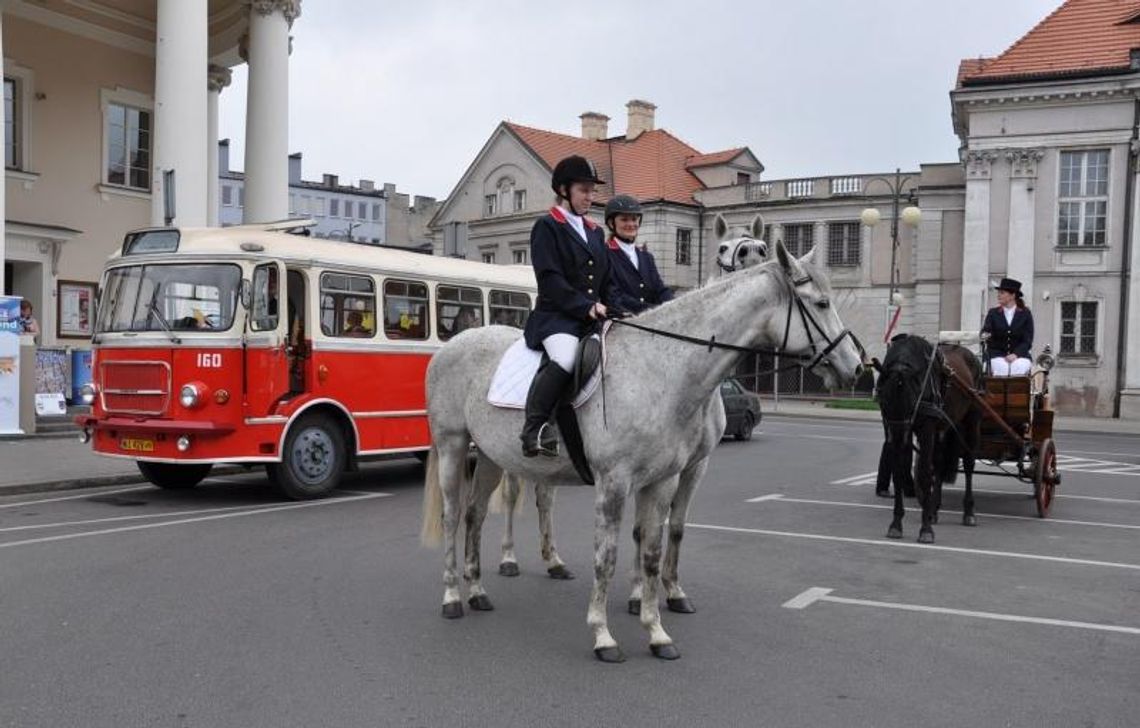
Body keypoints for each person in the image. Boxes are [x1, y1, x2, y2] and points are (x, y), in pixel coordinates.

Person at [519, 155, 625, 457]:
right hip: (557, 318)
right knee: (565, 359)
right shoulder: (547, 226)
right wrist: (586, 306)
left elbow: (606, 279)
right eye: (584, 191)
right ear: (564, 190)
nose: (590, 198)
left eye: (593, 191)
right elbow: (550, 279)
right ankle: (534, 428)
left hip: (590, 320)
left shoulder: (595, 231)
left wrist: (616, 308)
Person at [602, 194, 673, 313]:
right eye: (624, 219)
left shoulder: (647, 257)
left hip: (653, 320)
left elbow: (660, 290)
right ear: (611, 223)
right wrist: (651, 310)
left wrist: (674, 305)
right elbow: (613, 296)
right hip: (621, 320)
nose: (631, 224)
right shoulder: (604, 253)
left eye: (634, 219)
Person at [981, 277, 1033, 376]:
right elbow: (986, 331)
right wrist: (985, 335)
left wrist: (1016, 354)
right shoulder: (993, 313)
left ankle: (1017, 392)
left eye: (1002, 293)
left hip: (1020, 355)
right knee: (1001, 368)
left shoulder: (1025, 314)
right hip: (997, 355)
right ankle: (998, 392)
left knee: (1019, 367)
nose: (998, 295)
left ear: (1012, 295)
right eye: (999, 293)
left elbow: (1027, 340)